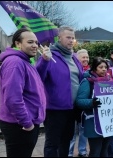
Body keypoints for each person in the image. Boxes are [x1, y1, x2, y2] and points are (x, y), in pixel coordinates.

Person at [0, 28, 46, 157]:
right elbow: (13, 98)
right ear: (18, 43)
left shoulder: (24, 61)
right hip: (20, 125)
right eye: (30, 42)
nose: (35, 45)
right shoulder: (15, 62)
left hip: (24, 123)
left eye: (36, 42)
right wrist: (27, 123)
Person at [36, 26, 84, 157]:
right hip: (55, 110)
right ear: (59, 38)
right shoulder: (50, 56)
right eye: (68, 37)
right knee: (52, 144)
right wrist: (44, 61)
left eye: (73, 38)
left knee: (66, 141)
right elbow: (38, 77)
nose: (71, 40)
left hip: (72, 109)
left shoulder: (74, 57)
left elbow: (80, 78)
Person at [75, 57, 113, 157]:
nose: (104, 69)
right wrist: (92, 102)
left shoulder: (110, 81)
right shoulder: (87, 82)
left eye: (105, 67)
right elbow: (79, 101)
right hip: (93, 123)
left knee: (104, 151)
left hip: (108, 122)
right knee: (95, 152)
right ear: (94, 69)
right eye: (101, 67)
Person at [68, 49, 90, 157]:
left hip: (84, 106)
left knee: (83, 131)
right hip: (72, 105)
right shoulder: (72, 69)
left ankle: (82, 151)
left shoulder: (91, 71)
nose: (85, 59)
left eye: (87, 57)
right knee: (71, 132)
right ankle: (69, 152)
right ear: (77, 58)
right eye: (83, 57)